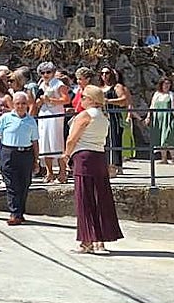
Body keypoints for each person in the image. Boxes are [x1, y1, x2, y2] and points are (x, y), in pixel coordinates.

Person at [63, 86, 123, 254]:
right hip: (98, 157)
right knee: (99, 198)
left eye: (83, 97)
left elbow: (72, 139)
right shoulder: (104, 118)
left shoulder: (85, 115)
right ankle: (98, 241)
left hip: (84, 158)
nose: (81, 99)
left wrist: (66, 155)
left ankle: (88, 241)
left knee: (85, 199)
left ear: (91, 99)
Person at [0, 91, 38, 225]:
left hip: (26, 154)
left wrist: (36, 160)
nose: (20, 106)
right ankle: (14, 213)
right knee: (11, 184)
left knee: (24, 184)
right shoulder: (5, 118)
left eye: (23, 103)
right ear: (13, 104)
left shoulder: (31, 121)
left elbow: (35, 141)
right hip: (8, 153)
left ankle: (19, 212)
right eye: (17, 103)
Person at [34, 62, 70, 183]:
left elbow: (66, 100)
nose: (45, 75)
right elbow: (39, 101)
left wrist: (50, 100)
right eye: (43, 73)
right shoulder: (42, 85)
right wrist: (40, 101)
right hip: (44, 114)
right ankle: (50, 173)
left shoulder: (59, 84)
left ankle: (62, 172)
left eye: (48, 72)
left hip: (55, 114)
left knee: (57, 141)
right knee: (44, 142)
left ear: (53, 73)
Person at [99, 67, 132, 176]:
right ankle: (106, 165)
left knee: (114, 139)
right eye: (102, 73)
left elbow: (123, 100)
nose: (104, 75)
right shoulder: (100, 88)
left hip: (114, 116)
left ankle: (115, 165)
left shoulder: (117, 87)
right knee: (105, 141)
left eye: (107, 73)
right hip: (103, 116)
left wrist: (108, 101)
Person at [146, 77, 174, 164]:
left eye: (168, 84)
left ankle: (173, 156)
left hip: (169, 118)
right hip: (158, 119)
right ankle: (164, 158)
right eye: (165, 84)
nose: (166, 85)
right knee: (160, 137)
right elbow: (152, 106)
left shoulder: (172, 95)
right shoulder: (156, 95)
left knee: (168, 137)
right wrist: (148, 117)